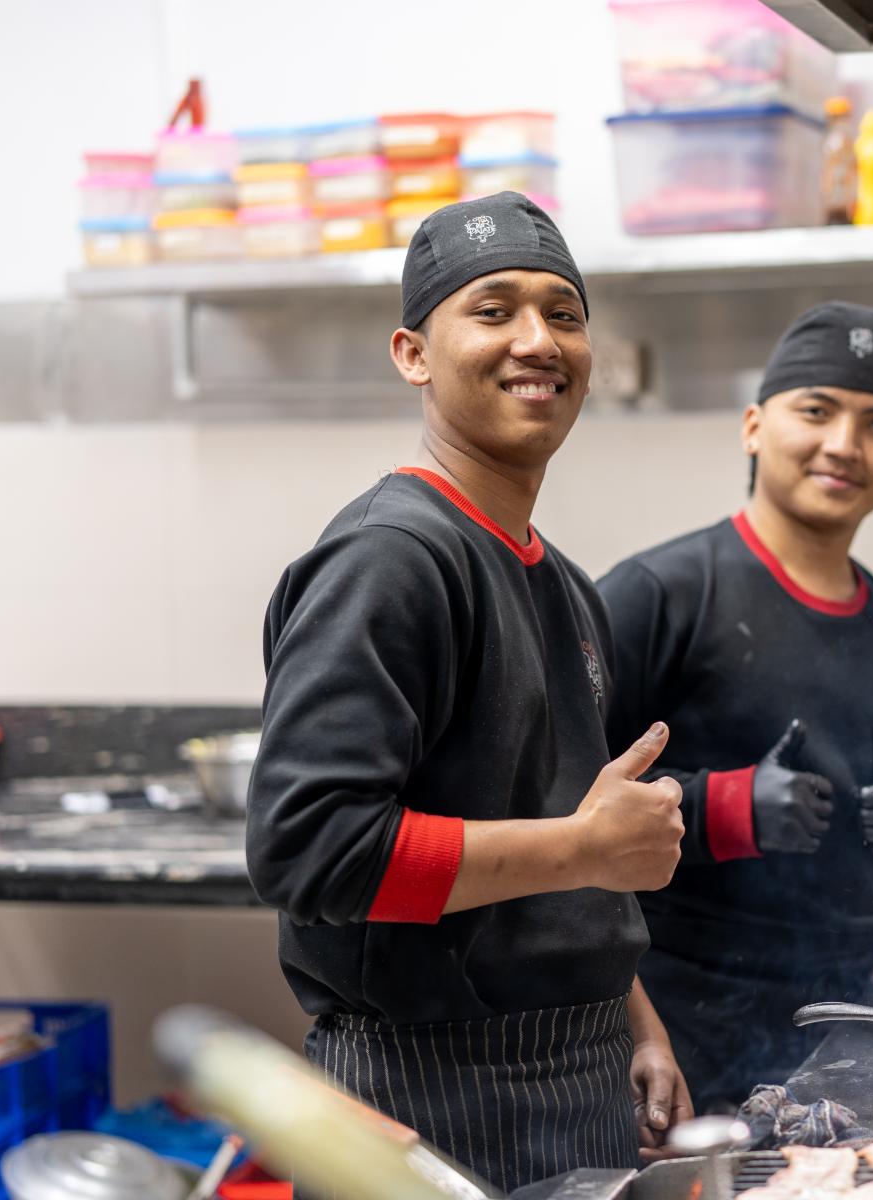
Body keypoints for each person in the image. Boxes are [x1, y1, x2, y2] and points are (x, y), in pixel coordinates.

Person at [246, 192, 692, 1192]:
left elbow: (562, 837)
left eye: (563, 314)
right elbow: (313, 851)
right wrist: (585, 848)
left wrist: (635, 1022)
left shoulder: (566, 586)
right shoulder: (390, 560)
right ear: (413, 353)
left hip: (578, 1084)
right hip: (425, 1101)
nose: (538, 339)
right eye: (493, 311)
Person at [598, 301, 873, 1113]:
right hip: (684, 1033)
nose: (845, 444)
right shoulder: (657, 596)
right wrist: (722, 807)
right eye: (816, 411)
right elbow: (553, 805)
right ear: (752, 427)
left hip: (859, 1028)